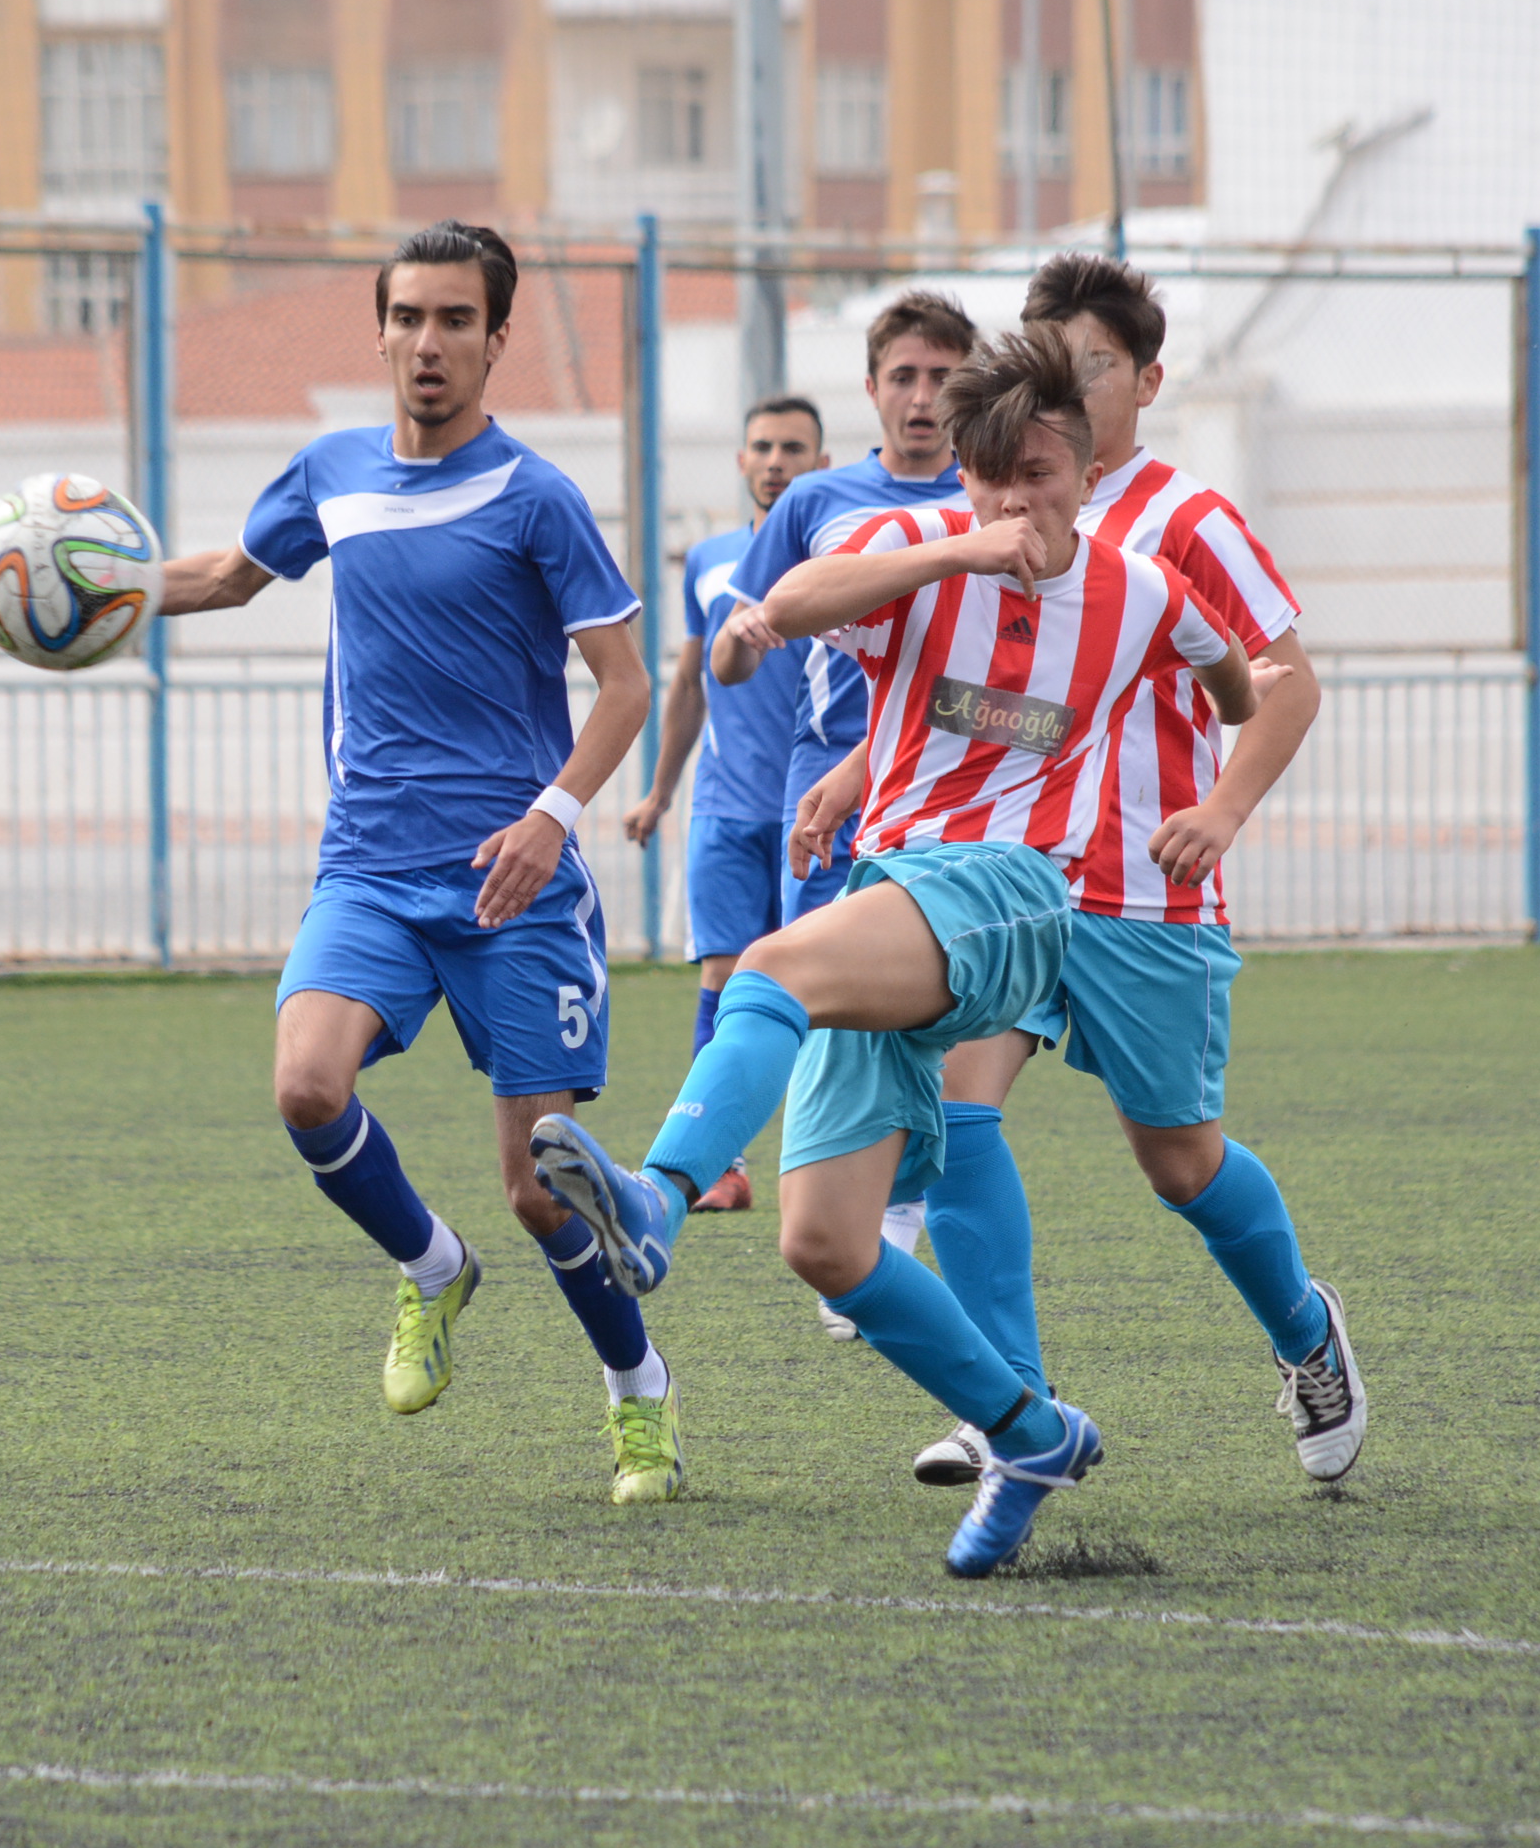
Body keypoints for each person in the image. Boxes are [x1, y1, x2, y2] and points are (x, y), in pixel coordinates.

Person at [532, 328, 1261, 1575]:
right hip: (897, 883)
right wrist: (949, 552)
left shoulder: (1139, 588)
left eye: (1034, 473)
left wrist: (1210, 759)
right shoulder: (923, 555)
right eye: (986, 475)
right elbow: (793, 603)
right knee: (824, 1240)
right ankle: (1028, 1431)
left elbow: (1235, 678)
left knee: (769, 969)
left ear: (1084, 473)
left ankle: (654, 1202)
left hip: (1020, 892)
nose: (1008, 498)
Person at [147, 221, 681, 1506]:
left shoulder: (537, 497)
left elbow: (623, 684)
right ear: (378, 330)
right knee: (304, 1088)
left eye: (455, 321)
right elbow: (227, 576)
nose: (427, 343)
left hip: (515, 887)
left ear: (498, 338)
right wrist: (88, 594)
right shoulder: (331, 471)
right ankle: (432, 1270)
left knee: (544, 1187)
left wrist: (554, 812)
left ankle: (638, 1393)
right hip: (373, 870)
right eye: (408, 319)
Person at [853, 252, 1362, 1492]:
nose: (1064, 379)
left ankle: (1305, 1331)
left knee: (1178, 1160)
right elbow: (950, 682)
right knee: (961, 1110)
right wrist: (846, 778)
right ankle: (1006, 1410)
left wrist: (1223, 808)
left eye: (1090, 361)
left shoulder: (1183, 520)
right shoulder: (995, 505)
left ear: (1143, 380)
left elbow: (1281, 681)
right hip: (1014, 880)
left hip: (1145, 891)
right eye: (1045, 350)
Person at [707, 291, 977, 1334]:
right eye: (902, 376)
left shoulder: (991, 502)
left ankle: (890, 1217)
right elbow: (744, 632)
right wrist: (739, 642)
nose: (921, 396)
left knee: (936, 1018)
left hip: (948, 793)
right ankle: (839, 1214)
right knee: (820, 1000)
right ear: (870, 389)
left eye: (941, 376)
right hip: (822, 788)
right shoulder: (818, 500)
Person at [620, 396, 832, 1216]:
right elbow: (688, 683)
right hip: (724, 807)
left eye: (793, 448)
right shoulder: (709, 561)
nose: (775, 460)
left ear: (820, 465)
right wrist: (659, 792)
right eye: (762, 446)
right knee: (723, 975)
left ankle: (836, 1169)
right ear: (742, 462)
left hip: (816, 807)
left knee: (827, 993)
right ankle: (723, 1164)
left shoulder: (839, 556)